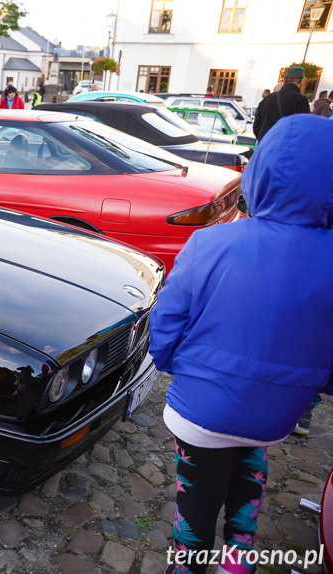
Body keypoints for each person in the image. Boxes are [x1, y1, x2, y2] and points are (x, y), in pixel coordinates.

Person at [150, 113, 333, 574]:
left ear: (261, 170)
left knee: (195, 501)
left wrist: (174, 363)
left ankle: (188, 567)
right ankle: (239, 556)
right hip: (274, 414)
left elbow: (167, 321)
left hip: (201, 408)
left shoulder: (211, 242)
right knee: (250, 461)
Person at [253, 66, 311, 141]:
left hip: (265, 146)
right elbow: (303, 128)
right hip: (285, 147)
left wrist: (264, 141)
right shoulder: (301, 100)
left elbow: (256, 126)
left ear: (284, 80)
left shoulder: (267, 98)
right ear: (301, 81)